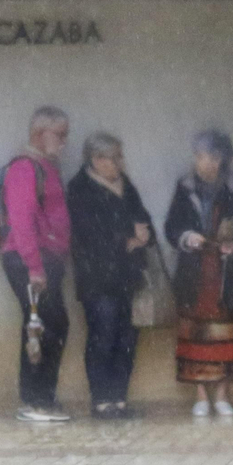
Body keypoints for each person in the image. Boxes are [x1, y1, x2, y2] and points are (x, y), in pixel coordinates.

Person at [164, 130, 233, 419]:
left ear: (224, 159)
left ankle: (222, 394)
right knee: (195, 333)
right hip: (195, 272)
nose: (206, 163)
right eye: (201, 156)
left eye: (213, 157)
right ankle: (200, 395)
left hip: (227, 273)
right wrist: (187, 237)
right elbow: (172, 226)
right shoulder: (185, 186)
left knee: (228, 333)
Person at [66, 132, 152, 420]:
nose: (120, 163)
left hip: (128, 276)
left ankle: (119, 398)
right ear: (97, 160)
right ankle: (102, 400)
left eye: (120, 156)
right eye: (115, 157)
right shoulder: (79, 189)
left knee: (127, 337)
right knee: (102, 336)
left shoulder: (125, 185)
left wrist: (143, 233)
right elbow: (87, 235)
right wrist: (127, 240)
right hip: (97, 279)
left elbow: (143, 216)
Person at [1, 106, 73, 424]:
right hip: (28, 258)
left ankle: (42, 397)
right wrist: (34, 265)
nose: (64, 141)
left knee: (49, 324)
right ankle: (35, 400)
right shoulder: (24, 168)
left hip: (45, 258)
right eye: (60, 134)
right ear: (39, 133)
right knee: (43, 325)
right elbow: (21, 220)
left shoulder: (46, 166)